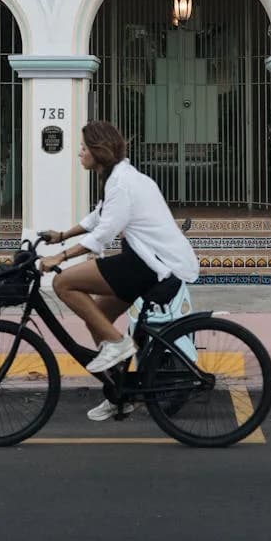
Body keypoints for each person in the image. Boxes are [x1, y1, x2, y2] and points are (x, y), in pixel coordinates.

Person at [40, 120, 199, 420]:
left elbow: (102, 235)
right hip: (144, 261)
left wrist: (58, 257)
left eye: (84, 148)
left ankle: (118, 344)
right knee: (98, 318)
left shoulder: (123, 184)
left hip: (152, 266)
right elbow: (99, 216)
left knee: (64, 284)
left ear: (99, 151)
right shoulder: (118, 179)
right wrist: (61, 235)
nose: (80, 154)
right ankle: (120, 393)